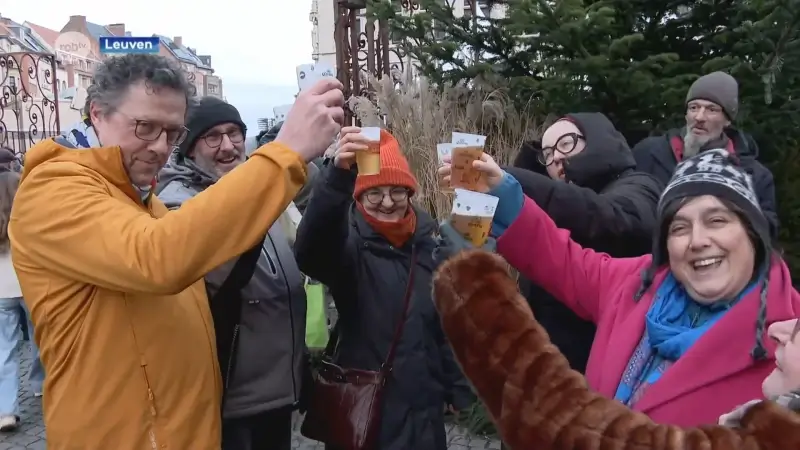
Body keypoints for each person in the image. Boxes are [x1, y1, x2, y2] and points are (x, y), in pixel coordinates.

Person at [8, 53, 344, 449]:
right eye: (145, 127)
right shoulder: (55, 189)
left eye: (172, 133)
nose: (159, 147)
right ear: (96, 113)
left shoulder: (139, 197)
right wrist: (285, 153)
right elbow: (158, 257)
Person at [436, 146, 800, 426]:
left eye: (717, 220)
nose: (697, 240)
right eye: (679, 227)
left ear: (752, 234)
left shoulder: (788, 342)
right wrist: (501, 192)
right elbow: (563, 261)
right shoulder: (639, 282)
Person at [430, 249, 800, 449]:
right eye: (680, 225)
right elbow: (571, 263)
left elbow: (566, 428)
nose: (780, 328)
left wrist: (475, 291)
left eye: (799, 329)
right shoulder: (641, 284)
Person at [294, 126, 473, 450]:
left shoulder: (430, 246)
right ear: (358, 196)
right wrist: (336, 178)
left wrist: (457, 387)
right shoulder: (348, 249)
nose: (388, 202)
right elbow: (311, 251)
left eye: (397, 191)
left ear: (410, 194)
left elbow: (444, 324)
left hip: (424, 416)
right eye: (374, 193)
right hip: (367, 415)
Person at [155, 97, 317, 450]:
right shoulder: (177, 202)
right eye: (212, 137)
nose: (228, 146)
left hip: (277, 389)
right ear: (189, 147)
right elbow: (212, 274)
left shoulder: (254, 191)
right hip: (229, 396)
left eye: (234, 133)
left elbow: (309, 195)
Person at [492, 113, 662, 373]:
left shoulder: (638, 185)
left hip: (603, 365)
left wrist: (511, 182)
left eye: (567, 143)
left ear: (597, 140)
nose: (556, 157)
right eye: (547, 153)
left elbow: (607, 218)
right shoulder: (555, 201)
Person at [632, 71, 779, 237]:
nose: (699, 117)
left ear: (727, 120)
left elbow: (767, 231)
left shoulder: (754, 175)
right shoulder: (648, 153)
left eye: (711, 109)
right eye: (693, 107)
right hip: (650, 259)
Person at [0, 171, 44, 432]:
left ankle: (6, 409)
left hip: (0, 292)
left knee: (4, 351)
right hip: (30, 285)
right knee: (41, 338)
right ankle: (41, 385)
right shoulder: (28, 214)